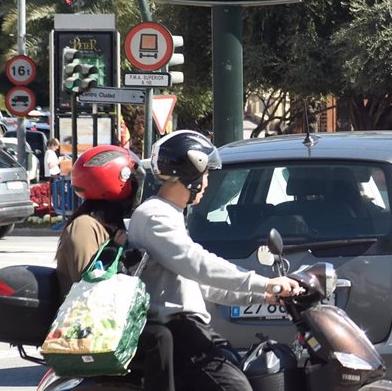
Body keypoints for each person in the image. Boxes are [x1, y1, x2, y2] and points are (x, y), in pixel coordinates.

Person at [128, 130, 300, 391]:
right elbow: (197, 264)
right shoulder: (154, 216)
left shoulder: (170, 214)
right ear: (191, 172)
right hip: (178, 331)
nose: (207, 182)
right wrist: (263, 283)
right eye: (205, 173)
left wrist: (260, 297)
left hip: (189, 328)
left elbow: (200, 284)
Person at [54, 145, 175, 391]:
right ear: (114, 182)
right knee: (161, 339)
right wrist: (115, 250)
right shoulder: (85, 227)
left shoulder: (108, 223)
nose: (134, 189)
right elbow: (88, 286)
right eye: (131, 181)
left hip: (111, 320)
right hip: (92, 328)